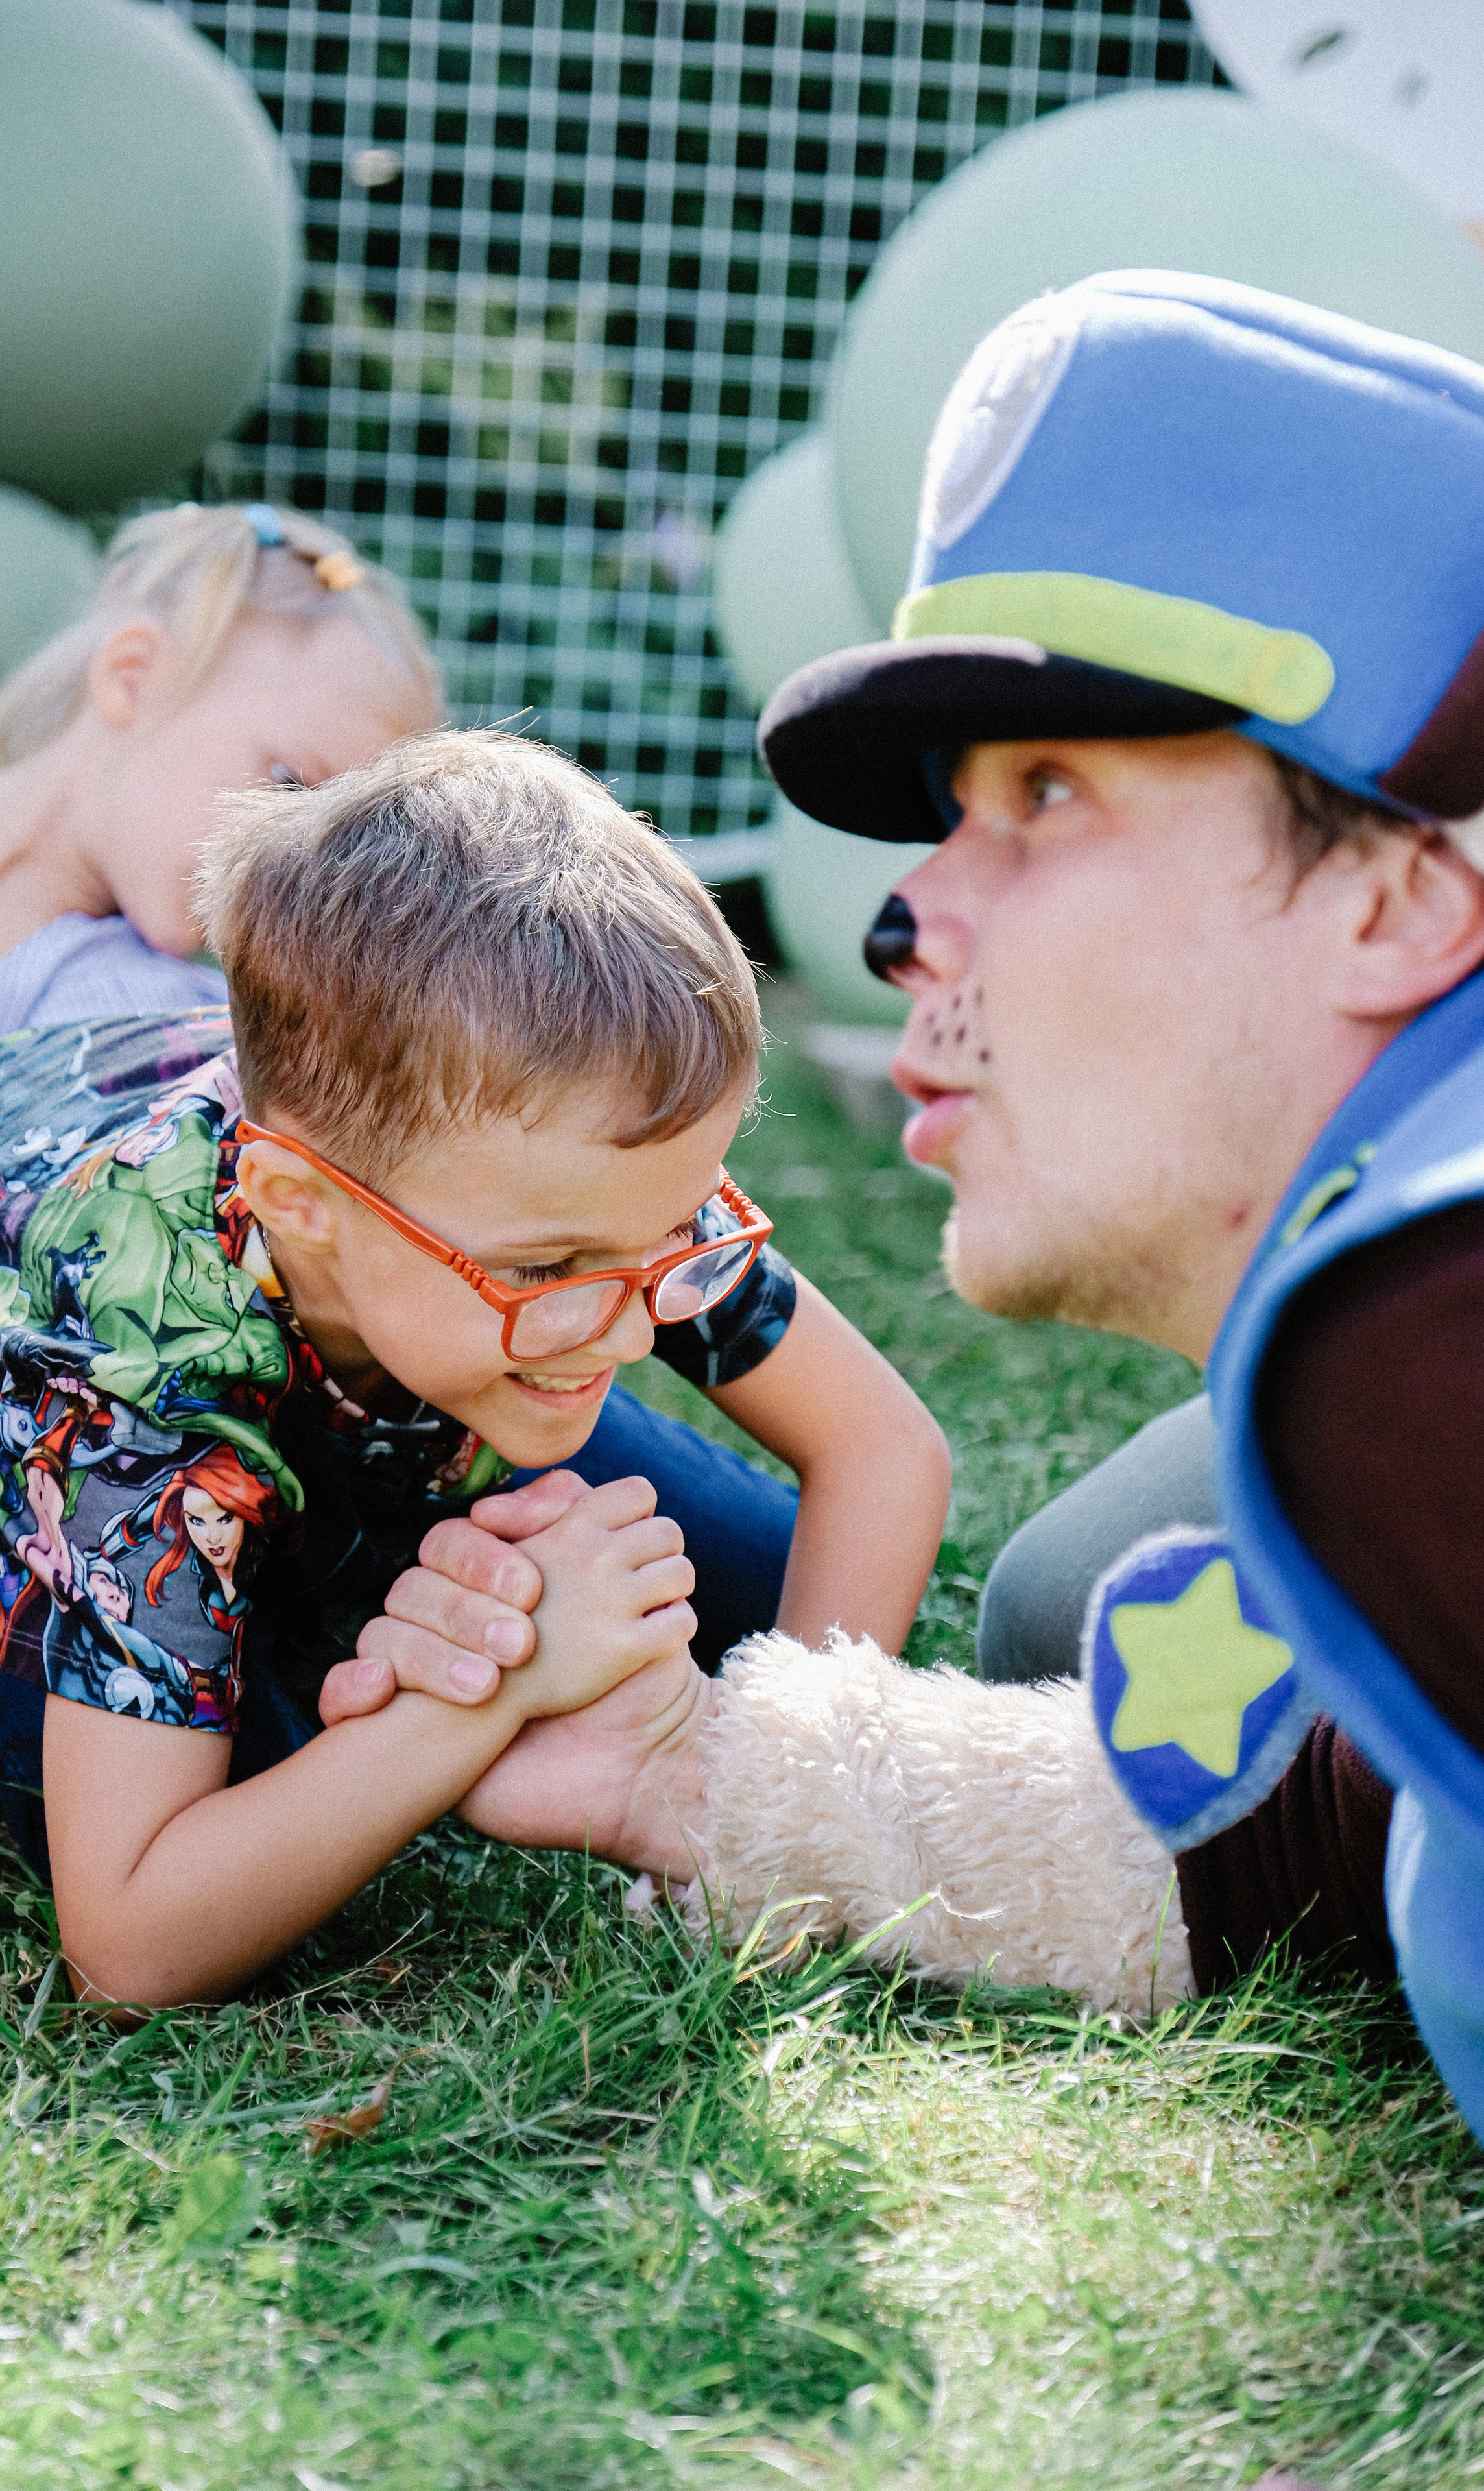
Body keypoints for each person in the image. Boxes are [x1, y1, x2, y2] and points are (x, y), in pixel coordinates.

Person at [339, 274, 1484, 2141]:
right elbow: (1332, 1817)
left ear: (1396, 904)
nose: (904, 920)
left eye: (1046, 795)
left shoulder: (1430, 1321)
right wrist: (705, 1775)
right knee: (1062, 1599)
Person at [0, 728, 948, 2006]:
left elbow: (881, 1451)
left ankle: (351, 1521)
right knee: (255, 1791)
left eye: (669, 1236)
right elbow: (130, 1940)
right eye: (546, 1269)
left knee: (751, 1594)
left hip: (383, 1353)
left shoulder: (568, 1178)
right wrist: (476, 1696)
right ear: (303, 1204)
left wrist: (766, 1792)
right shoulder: (124, 1348)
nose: (636, 1330)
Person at [0, 498, 442, 1138]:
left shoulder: (135, 1018)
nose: (293, 873)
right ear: (133, 676)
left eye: (332, 848)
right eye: (288, 783)